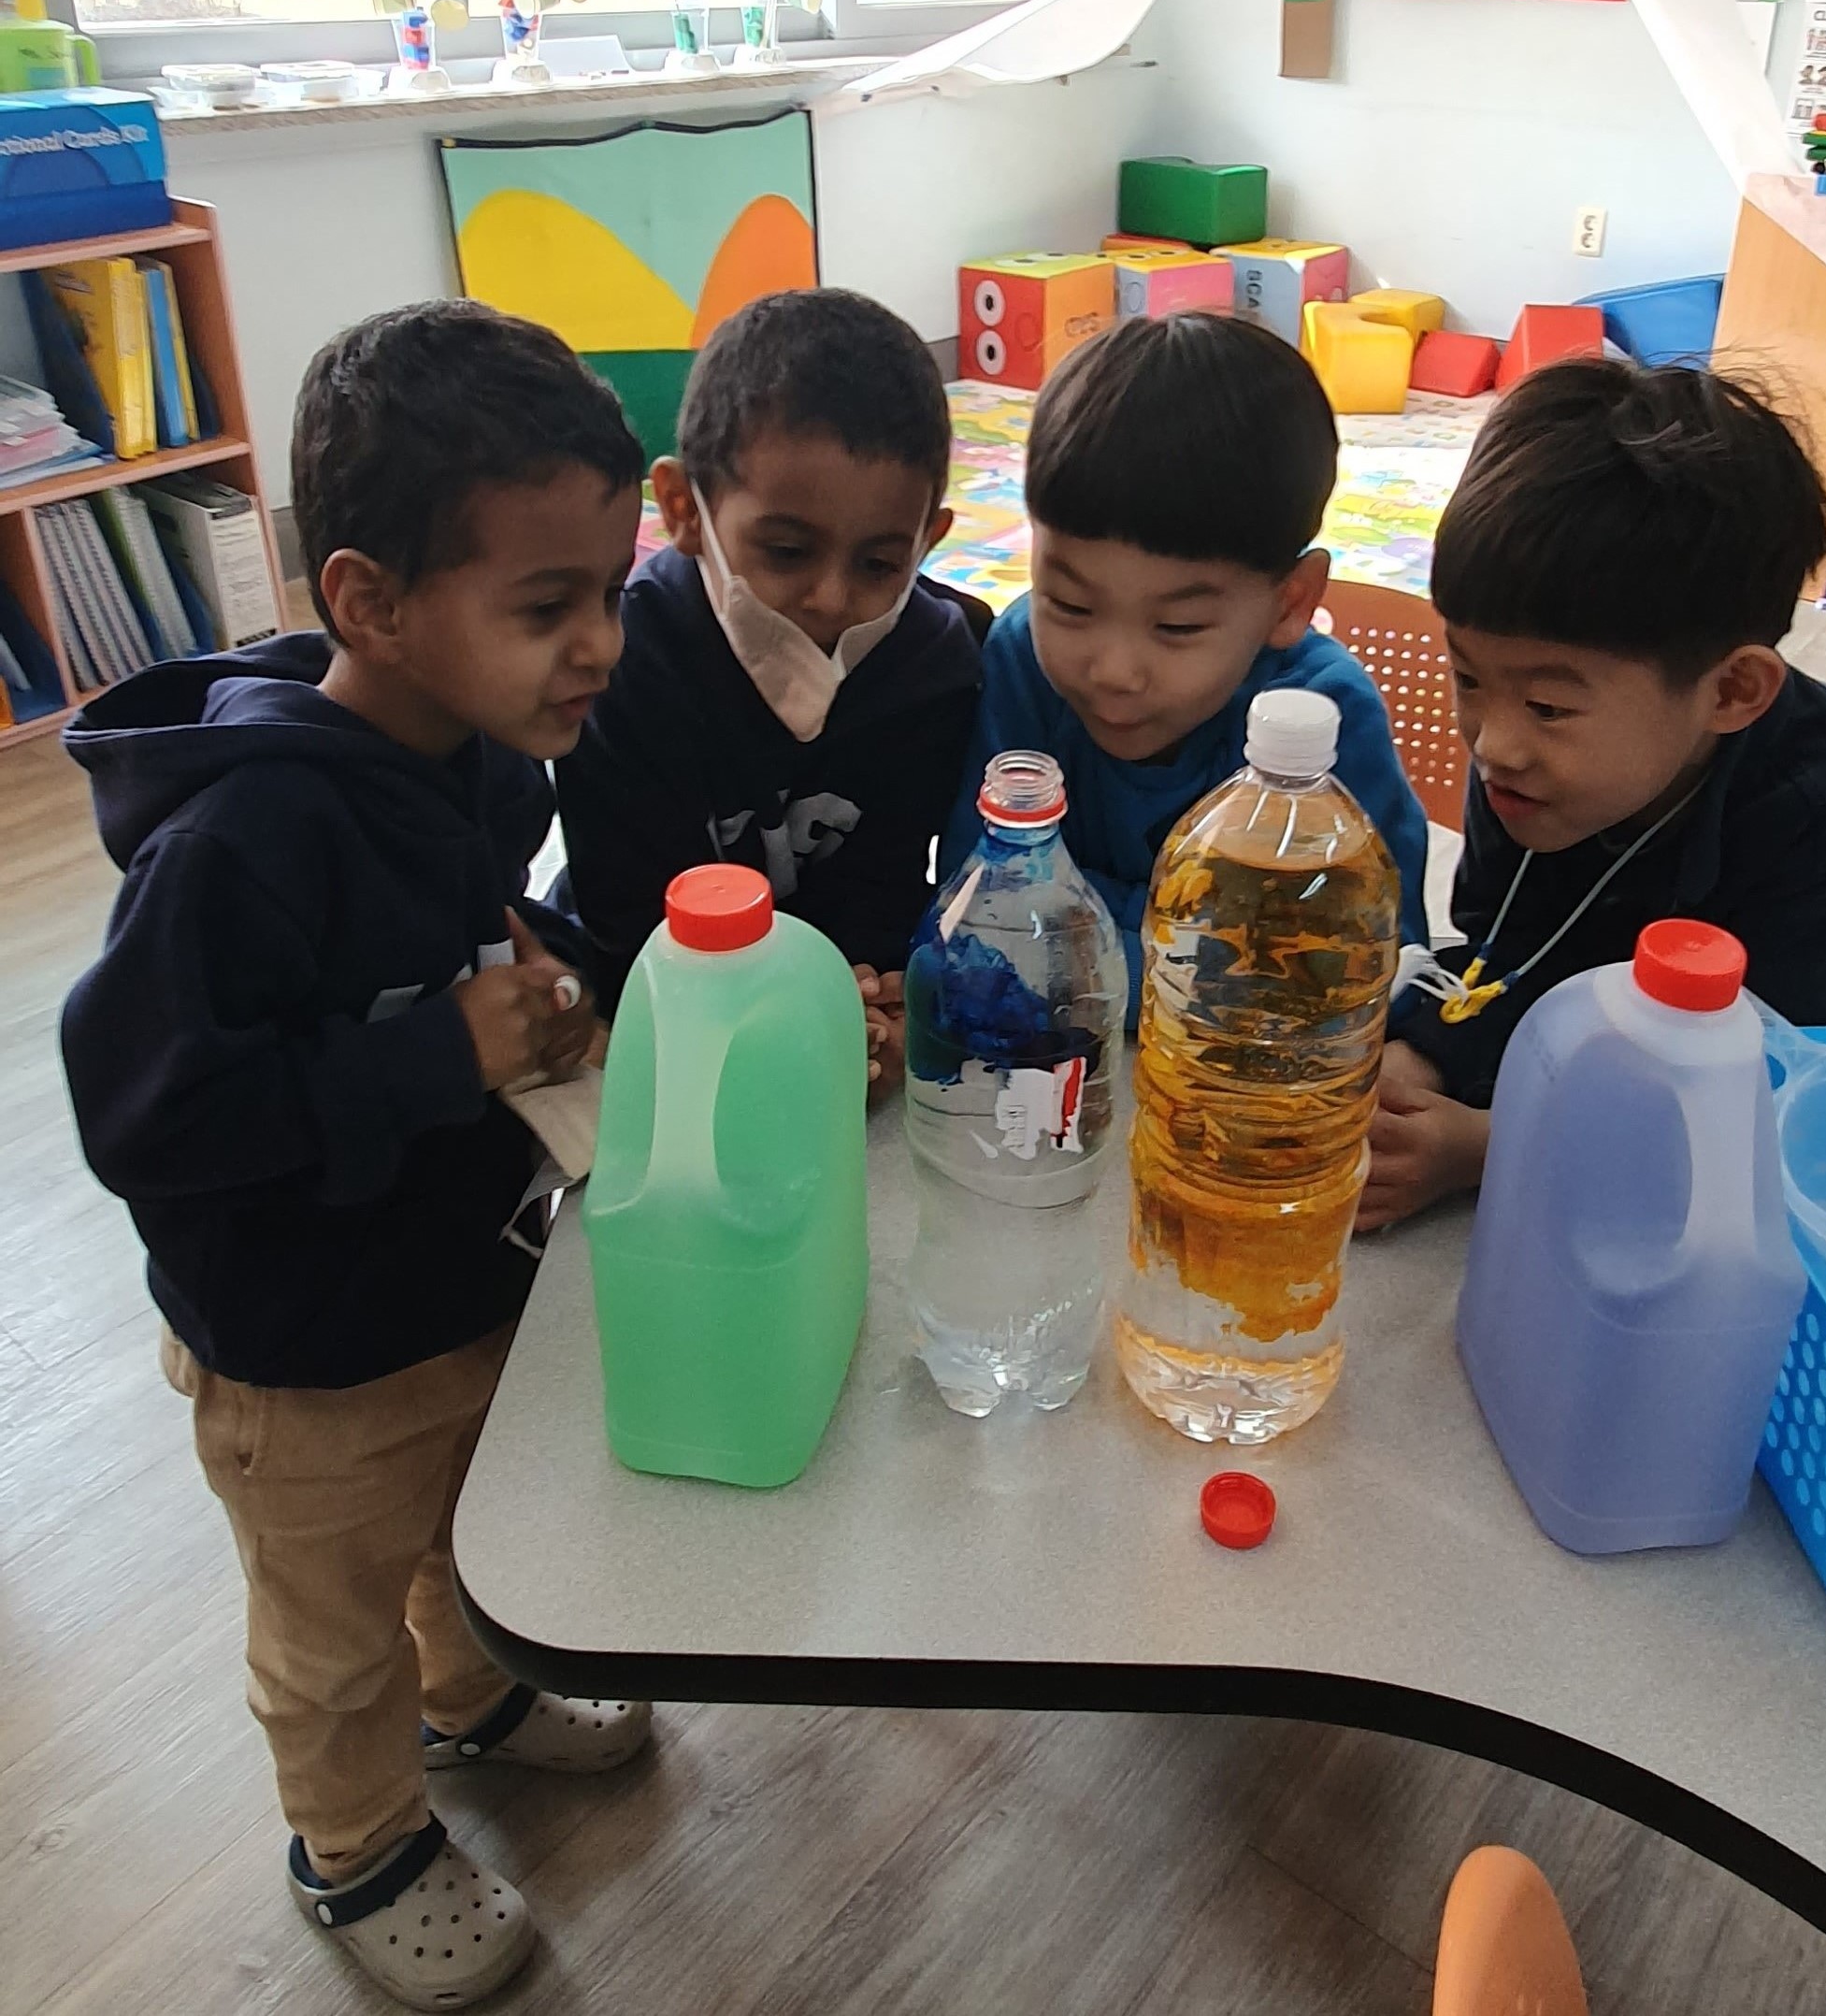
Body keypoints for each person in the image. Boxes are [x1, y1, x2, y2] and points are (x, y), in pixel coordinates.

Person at [59, 301, 652, 2009]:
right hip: (301, 1352)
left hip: (452, 1272)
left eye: (611, 593)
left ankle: (475, 1694)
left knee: (467, 1526)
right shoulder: (245, 837)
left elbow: (469, 922)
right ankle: (358, 1844)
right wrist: (433, 1052)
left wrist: (553, 977)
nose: (600, 646)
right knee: (331, 1632)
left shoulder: (479, 752)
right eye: (546, 606)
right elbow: (143, 1112)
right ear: (371, 604)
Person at [1359, 359, 1826, 1231]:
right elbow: (1510, 950)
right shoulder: (1535, 768)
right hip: (1604, 996)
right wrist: (1425, 1057)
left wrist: (1486, 1147)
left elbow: (1749, 1093)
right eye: (1469, 677)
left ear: (1732, 692)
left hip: (1818, 1016)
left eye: (1549, 705)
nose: (1492, 743)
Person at [939, 311, 1430, 1018]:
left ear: (1290, 602)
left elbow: (1362, 971)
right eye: (1070, 604)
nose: (1114, 670)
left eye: (1178, 626)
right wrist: (1216, 946)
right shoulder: (1022, 659)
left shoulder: (1323, 723)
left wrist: (1077, 925)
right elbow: (978, 914)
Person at [554, 287, 984, 1094]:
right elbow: (629, 925)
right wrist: (781, 1019)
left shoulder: (932, 667)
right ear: (683, 510)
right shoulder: (622, 665)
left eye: (879, 564)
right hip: (659, 989)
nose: (831, 598)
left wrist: (868, 1002)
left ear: (928, 540)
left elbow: (885, 884)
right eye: (787, 551)